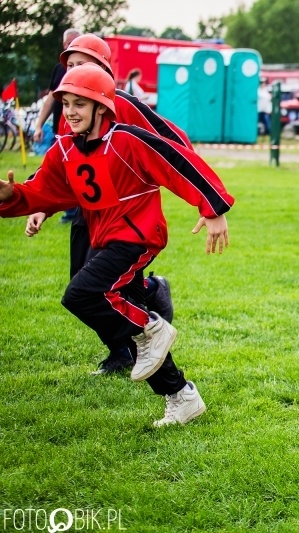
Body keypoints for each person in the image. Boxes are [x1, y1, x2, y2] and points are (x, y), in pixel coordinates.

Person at [0, 63, 234, 426]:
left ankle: (152, 326)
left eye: (80, 103)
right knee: (131, 322)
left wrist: (213, 206)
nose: (71, 112)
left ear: (101, 107)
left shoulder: (126, 139)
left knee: (81, 295)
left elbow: (178, 162)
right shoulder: (65, 150)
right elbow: (43, 189)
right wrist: (12, 195)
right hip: (105, 239)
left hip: (137, 237)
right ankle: (181, 395)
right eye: (66, 104)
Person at [26, 33, 195, 375]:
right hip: (90, 212)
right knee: (83, 281)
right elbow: (64, 170)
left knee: (97, 288)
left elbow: (173, 143)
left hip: (127, 215)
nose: (73, 72)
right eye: (69, 66)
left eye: (82, 64)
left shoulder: (123, 104)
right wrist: (43, 205)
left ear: (102, 68)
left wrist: (192, 182)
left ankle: (126, 350)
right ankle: (148, 301)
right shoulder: (72, 113)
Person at [32, 28, 81, 224]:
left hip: (84, 134)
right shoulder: (59, 70)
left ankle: (79, 212)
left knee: (77, 172)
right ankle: (59, 210)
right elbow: (50, 100)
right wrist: (38, 126)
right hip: (60, 132)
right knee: (59, 172)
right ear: (64, 47)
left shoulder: (92, 72)